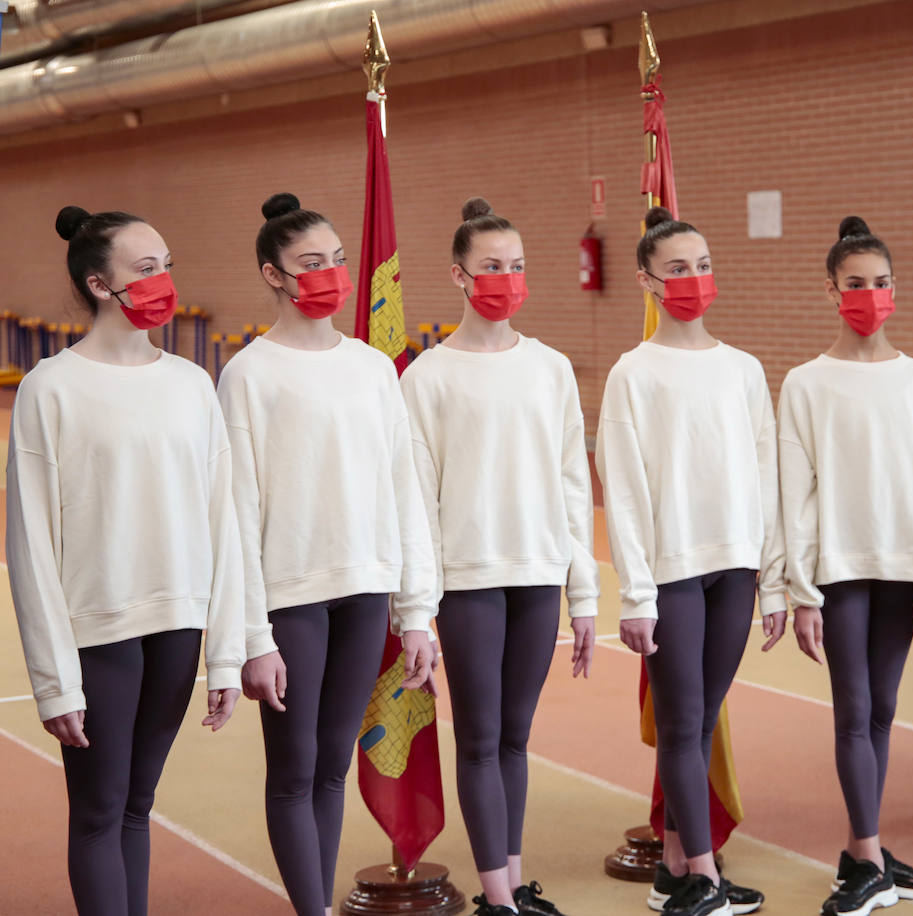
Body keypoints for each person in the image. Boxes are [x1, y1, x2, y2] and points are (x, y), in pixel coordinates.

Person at [8, 206, 244, 916]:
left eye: (167, 265)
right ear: (98, 283)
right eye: (146, 269)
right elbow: (31, 545)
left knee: (138, 806)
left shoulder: (192, 384)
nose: (163, 281)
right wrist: (54, 681)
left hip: (177, 625)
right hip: (96, 632)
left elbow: (221, 521)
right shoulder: (50, 389)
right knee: (99, 811)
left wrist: (225, 653)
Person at [218, 193, 437, 916]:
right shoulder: (248, 375)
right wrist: (252, 636)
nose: (333, 275)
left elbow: (404, 489)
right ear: (273, 275)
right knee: (295, 770)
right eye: (312, 264)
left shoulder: (374, 367)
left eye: (339, 261)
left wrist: (416, 614)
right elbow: (238, 511)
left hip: (366, 584)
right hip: (291, 595)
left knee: (334, 768)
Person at [401, 197, 598, 916]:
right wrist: (417, 611)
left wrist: (583, 595)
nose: (506, 279)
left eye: (516, 267)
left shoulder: (550, 368)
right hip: (470, 582)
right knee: (480, 740)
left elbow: (574, 483)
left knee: (516, 738)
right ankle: (497, 901)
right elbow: (416, 503)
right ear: (458, 275)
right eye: (491, 267)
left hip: (539, 575)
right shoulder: (427, 377)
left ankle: (510, 885)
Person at [596, 207, 779, 916]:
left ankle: (676, 865)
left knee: (702, 720)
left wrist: (773, 582)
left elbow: (764, 476)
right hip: (671, 571)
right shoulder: (633, 375)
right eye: (678, 269)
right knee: (680, 722)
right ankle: (703, 876)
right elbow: (628, 491)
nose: (694, 279)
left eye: (703, 265)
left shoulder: (743, 369)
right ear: (648, 281)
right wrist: (635, 593)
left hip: (734, 566)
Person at [778, 215, 913, 916]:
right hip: (841, 571)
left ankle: (865, 852)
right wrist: (802, 589)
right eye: (856, 285)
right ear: (831, 290)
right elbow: (797, 493)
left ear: (894, 291)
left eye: (881, 284)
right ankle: (868, 858)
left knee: (882, 711)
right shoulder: (806, 383)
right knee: (853, 714)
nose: (870, 295)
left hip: (903, 568)